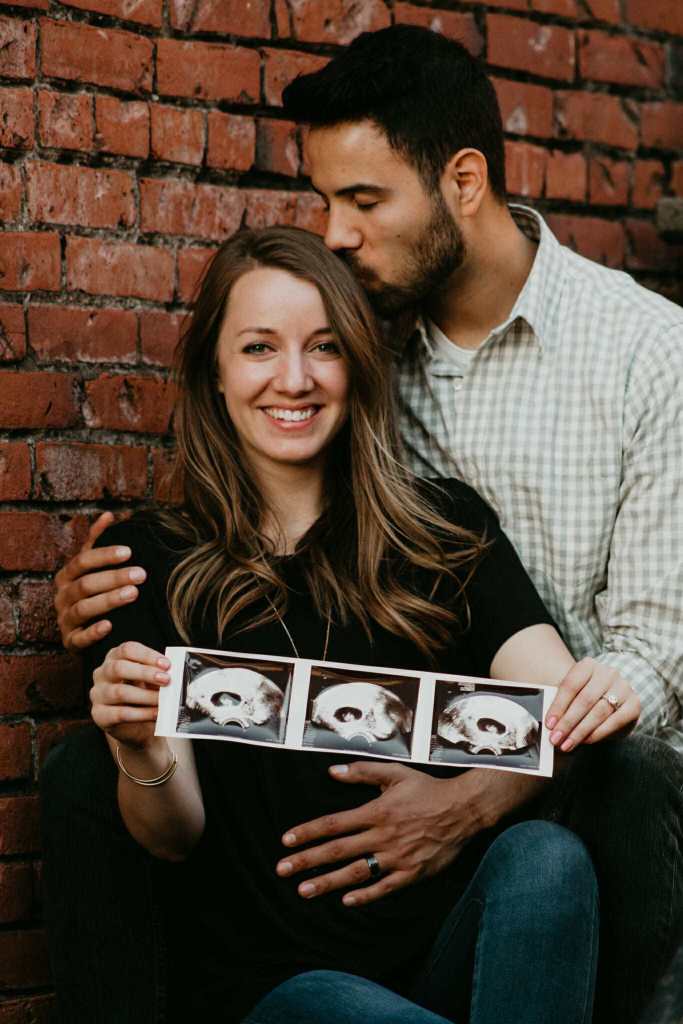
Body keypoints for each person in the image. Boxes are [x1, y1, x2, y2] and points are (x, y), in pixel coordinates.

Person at [48, 25, 683, 1024]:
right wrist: (133, 728)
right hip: (284, 982)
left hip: (514, 872)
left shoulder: (470, 497)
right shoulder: (156, 554)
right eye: (258, 349)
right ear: (214, 375)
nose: (293, 377)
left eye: (363, 200)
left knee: (556, 848)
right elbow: (165, 825)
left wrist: (473, 793)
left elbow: (598, 682)